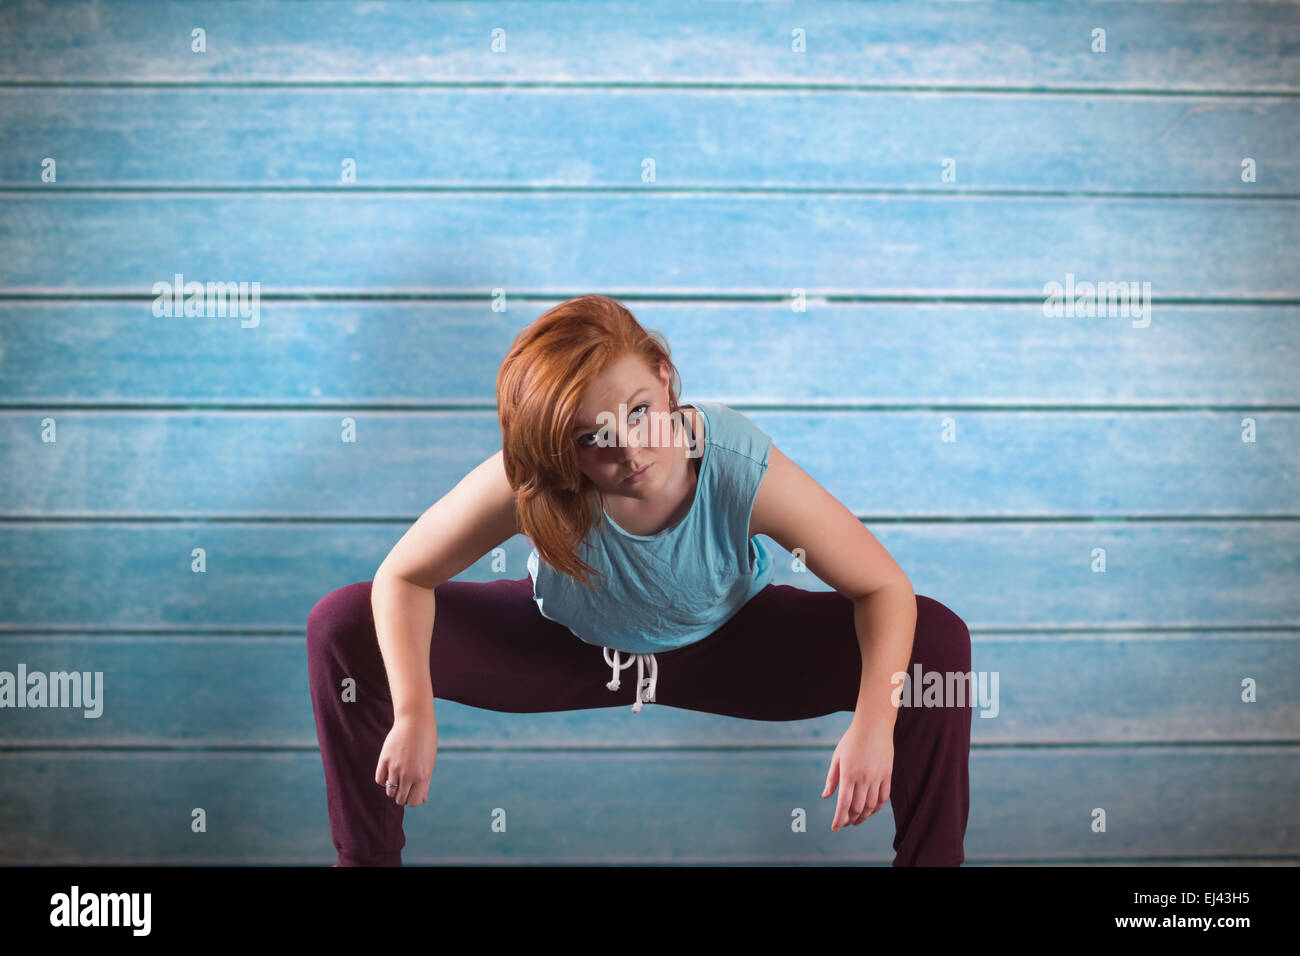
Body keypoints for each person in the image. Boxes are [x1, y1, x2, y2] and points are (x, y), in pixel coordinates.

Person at [306, 294, 972, 866]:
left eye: (638, 409)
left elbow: (882, 587)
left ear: (665, 378)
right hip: (571, 647)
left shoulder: (735, 463)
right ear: (559, 450)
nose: (628, 448)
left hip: (726, 648)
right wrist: (415, 710)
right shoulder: (533, 479)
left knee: (934, 641)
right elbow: (403, 576)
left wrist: (874, 726)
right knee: (344, 624)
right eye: (592, 438)